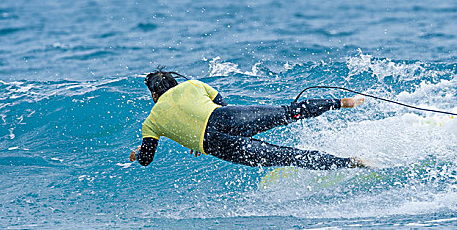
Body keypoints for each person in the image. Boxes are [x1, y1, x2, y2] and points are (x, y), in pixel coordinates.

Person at [129, 67, 372, 170]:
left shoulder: (151, 121)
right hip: (225, 117)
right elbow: (221, 103)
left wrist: (137, 153)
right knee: (289, 112)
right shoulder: (192, 85)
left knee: (286, 157)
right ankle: (342, 103)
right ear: (175, 83)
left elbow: (146, 160)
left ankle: (349, 162)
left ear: (153, 94)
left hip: (212, 144)